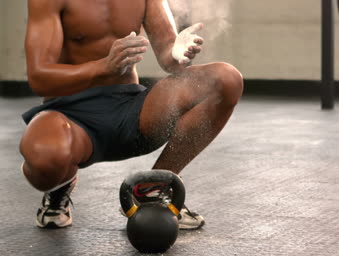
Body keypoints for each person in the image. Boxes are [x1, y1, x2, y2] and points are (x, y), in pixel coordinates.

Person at [19, 0, 243, 229]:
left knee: (225, 80)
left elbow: (168, 54)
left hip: (128, 109)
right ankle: (59, 187)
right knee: (45, 156)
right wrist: (104, 66)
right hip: (68, 114)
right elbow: (39, 79)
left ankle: (152, 188)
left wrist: (178, 54)